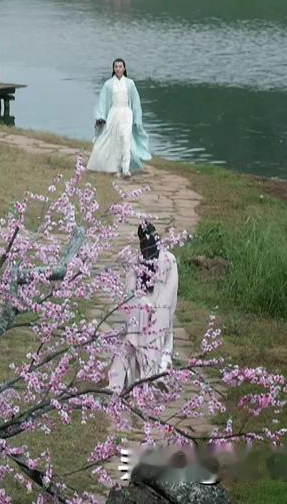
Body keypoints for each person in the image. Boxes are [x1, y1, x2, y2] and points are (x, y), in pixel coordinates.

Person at [109, 220, 179, 393]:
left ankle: (154, 373)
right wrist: (142, 305)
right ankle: (137, 377)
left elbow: (170, 292)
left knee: (153, 333)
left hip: (160, 313)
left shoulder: (169, 260)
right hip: (139, 314)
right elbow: (130, 293)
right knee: (134, 331)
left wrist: (156, 312)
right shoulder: (135, 262)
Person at [88, 58, 151, 178]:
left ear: (124, 68)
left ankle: (126, 169)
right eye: (116, 66)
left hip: (126, 113)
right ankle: (116, 168)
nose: (118, 69)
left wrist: (137, 119)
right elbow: (103, 102)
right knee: (115, 140)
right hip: (114, 113)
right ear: (113, 69)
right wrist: (100, 116)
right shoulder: (108, 84)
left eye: (120, 66)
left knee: (126, 139)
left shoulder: (130, 84)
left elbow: (136, 103)